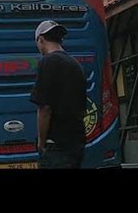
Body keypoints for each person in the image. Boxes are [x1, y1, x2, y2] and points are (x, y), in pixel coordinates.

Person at [30, 20, 87, 169]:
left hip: (56, 146)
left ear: (40, 40)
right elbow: (82, 107)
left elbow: (45, 108)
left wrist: (41, 143)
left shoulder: (47, 62)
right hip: (76, 143)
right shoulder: (75, 64)